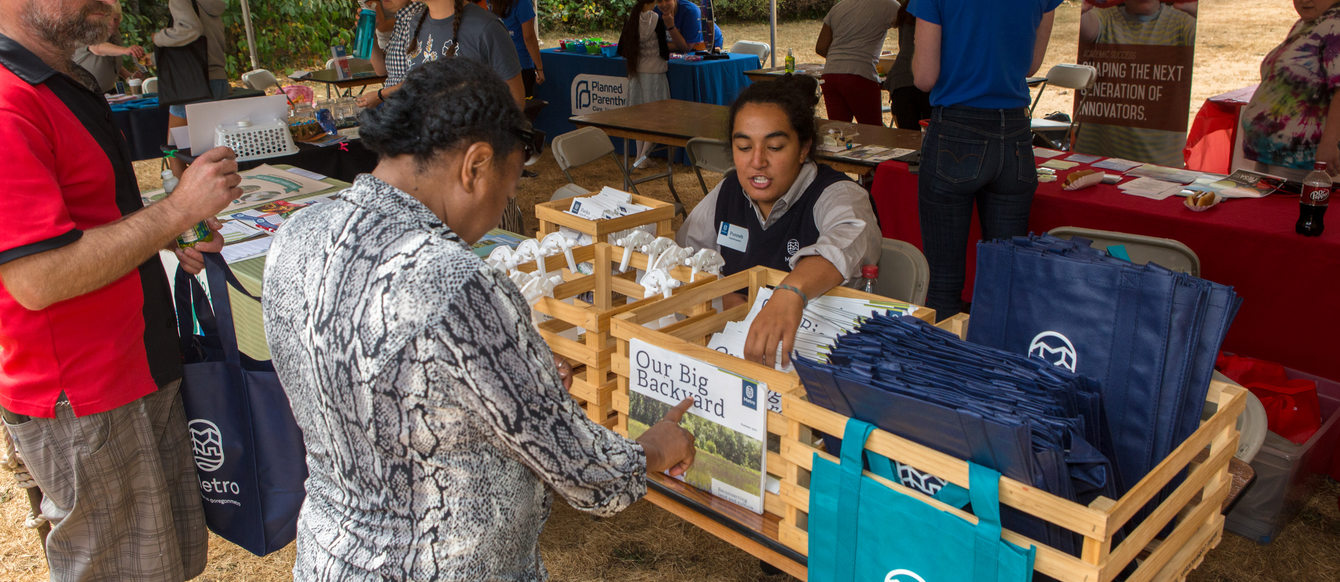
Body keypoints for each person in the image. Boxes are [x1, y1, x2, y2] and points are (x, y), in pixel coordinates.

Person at [261, 57, 696, 580]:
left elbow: (378, 392)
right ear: (475, 165)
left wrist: (519, 383)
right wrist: (652, 448)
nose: (498, 214)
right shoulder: (457, 282)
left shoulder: (296, 235)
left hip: (329, 556)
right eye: (508, 192)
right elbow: (587, 476)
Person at [0, 0, 243, 579]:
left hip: (132, 369)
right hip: (87, 394)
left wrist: (164, 233)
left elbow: (81, 223)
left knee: (165, 566)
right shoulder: (10, 101)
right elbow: (35, 279)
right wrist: (175, 212)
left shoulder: (61, 79)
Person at [677, 75, 882, 367]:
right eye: (744, 147)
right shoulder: (730, 190)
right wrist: (724, 297)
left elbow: (849, 242)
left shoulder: (839, 195)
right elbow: (686, 252)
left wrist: (790, 293)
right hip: (739, 356)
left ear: (803, 148)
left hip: (816, 361)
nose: (757, 161)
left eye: (774, 147)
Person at [909, 0, 1060, 318]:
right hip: (1015, 133)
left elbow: (924, 77)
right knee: (1004, 281)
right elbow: (1030, 66)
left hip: (957, 126)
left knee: (943, 282)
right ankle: (997, 361)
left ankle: (942, 363)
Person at [361, 0, 527, 232]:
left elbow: (515, 102)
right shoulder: (415, 23)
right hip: (431, 173)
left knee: (495, 254)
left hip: (479, 173)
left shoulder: (486, 28)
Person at [1075, 0, 1197, 166]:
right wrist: (1079, 9)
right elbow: (1086, 29)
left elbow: (1204, 38)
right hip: (1098, 162)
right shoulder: (1104, 17)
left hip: (1160, 168)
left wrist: (1198, 11)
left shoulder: (1182, 21)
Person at [1241, 0, 1340, 182]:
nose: (1305, 0)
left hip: (1303, 157)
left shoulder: (1336, 25)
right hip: (1274, 152)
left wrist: (1330, 143)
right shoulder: (1306, 24)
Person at [155, 0, 228, 177]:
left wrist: (158, 38)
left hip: (191, 80)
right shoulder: (212, 4)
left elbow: (190, 29)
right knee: (213, 146)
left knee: (175, 145)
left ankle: (181, 190)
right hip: (218, 78)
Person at [815, 0, 900, 126]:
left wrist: (842, 56)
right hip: (860, 74)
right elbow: (909, 24)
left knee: (840, 134)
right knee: (873, 132)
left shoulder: (839, 7)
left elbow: (821, 47)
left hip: (831, 74)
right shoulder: (889, 5)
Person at [619, 0, 671, 169]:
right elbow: (664, 51)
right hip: (655, 73)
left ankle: (639, 157)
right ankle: (642, 157)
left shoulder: (631, 19)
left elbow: (621, 49)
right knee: (657, 115)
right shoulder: (657, 20)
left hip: (636, 73)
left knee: (639, 116)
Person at [883, 3, 931, 129]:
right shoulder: (939, 9)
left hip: (901, 79)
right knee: (932, 135)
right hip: (926, 77)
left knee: (907, 139)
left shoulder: (907, 10)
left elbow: (903, 46)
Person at [72, 12, 146, 94]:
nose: (112, 23)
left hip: (107, 92)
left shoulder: (115, 34)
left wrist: (128, 76)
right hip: (84, 92)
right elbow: (97, 47)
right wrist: (126, 50)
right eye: (107, 18)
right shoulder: (85, 31)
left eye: (116, 19)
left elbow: (111, 60)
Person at [491, 0, 544, 98]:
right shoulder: (523, 2)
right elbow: (529, 37)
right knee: (523, 108)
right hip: (521, 65)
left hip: (497, 65)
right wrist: (539, 68)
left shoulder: (490, 3)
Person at [654, 0, 724, 52]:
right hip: (681, 44)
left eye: (667, 0)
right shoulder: (655, 12)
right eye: (659, 1)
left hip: (707, 42)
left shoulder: (691, 11)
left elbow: (686, 48)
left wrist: (671, 26)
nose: (663, 4)